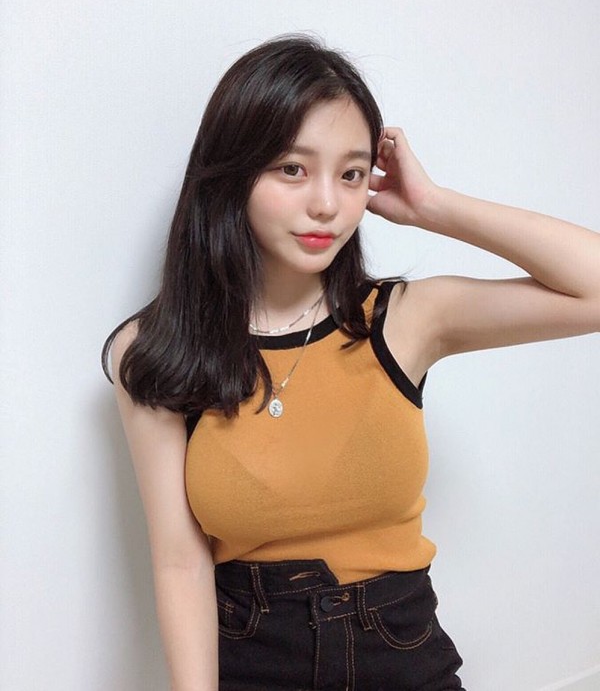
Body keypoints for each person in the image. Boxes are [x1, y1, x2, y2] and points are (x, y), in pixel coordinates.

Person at [102, 34, 600, 691]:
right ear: (233, 171)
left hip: (402, 656)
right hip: (252, 663)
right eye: (292, 168)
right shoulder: (158, 350)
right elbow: (179, 562)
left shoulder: (405, 321)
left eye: (352, 174)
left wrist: (434, 207)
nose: (327, 205)